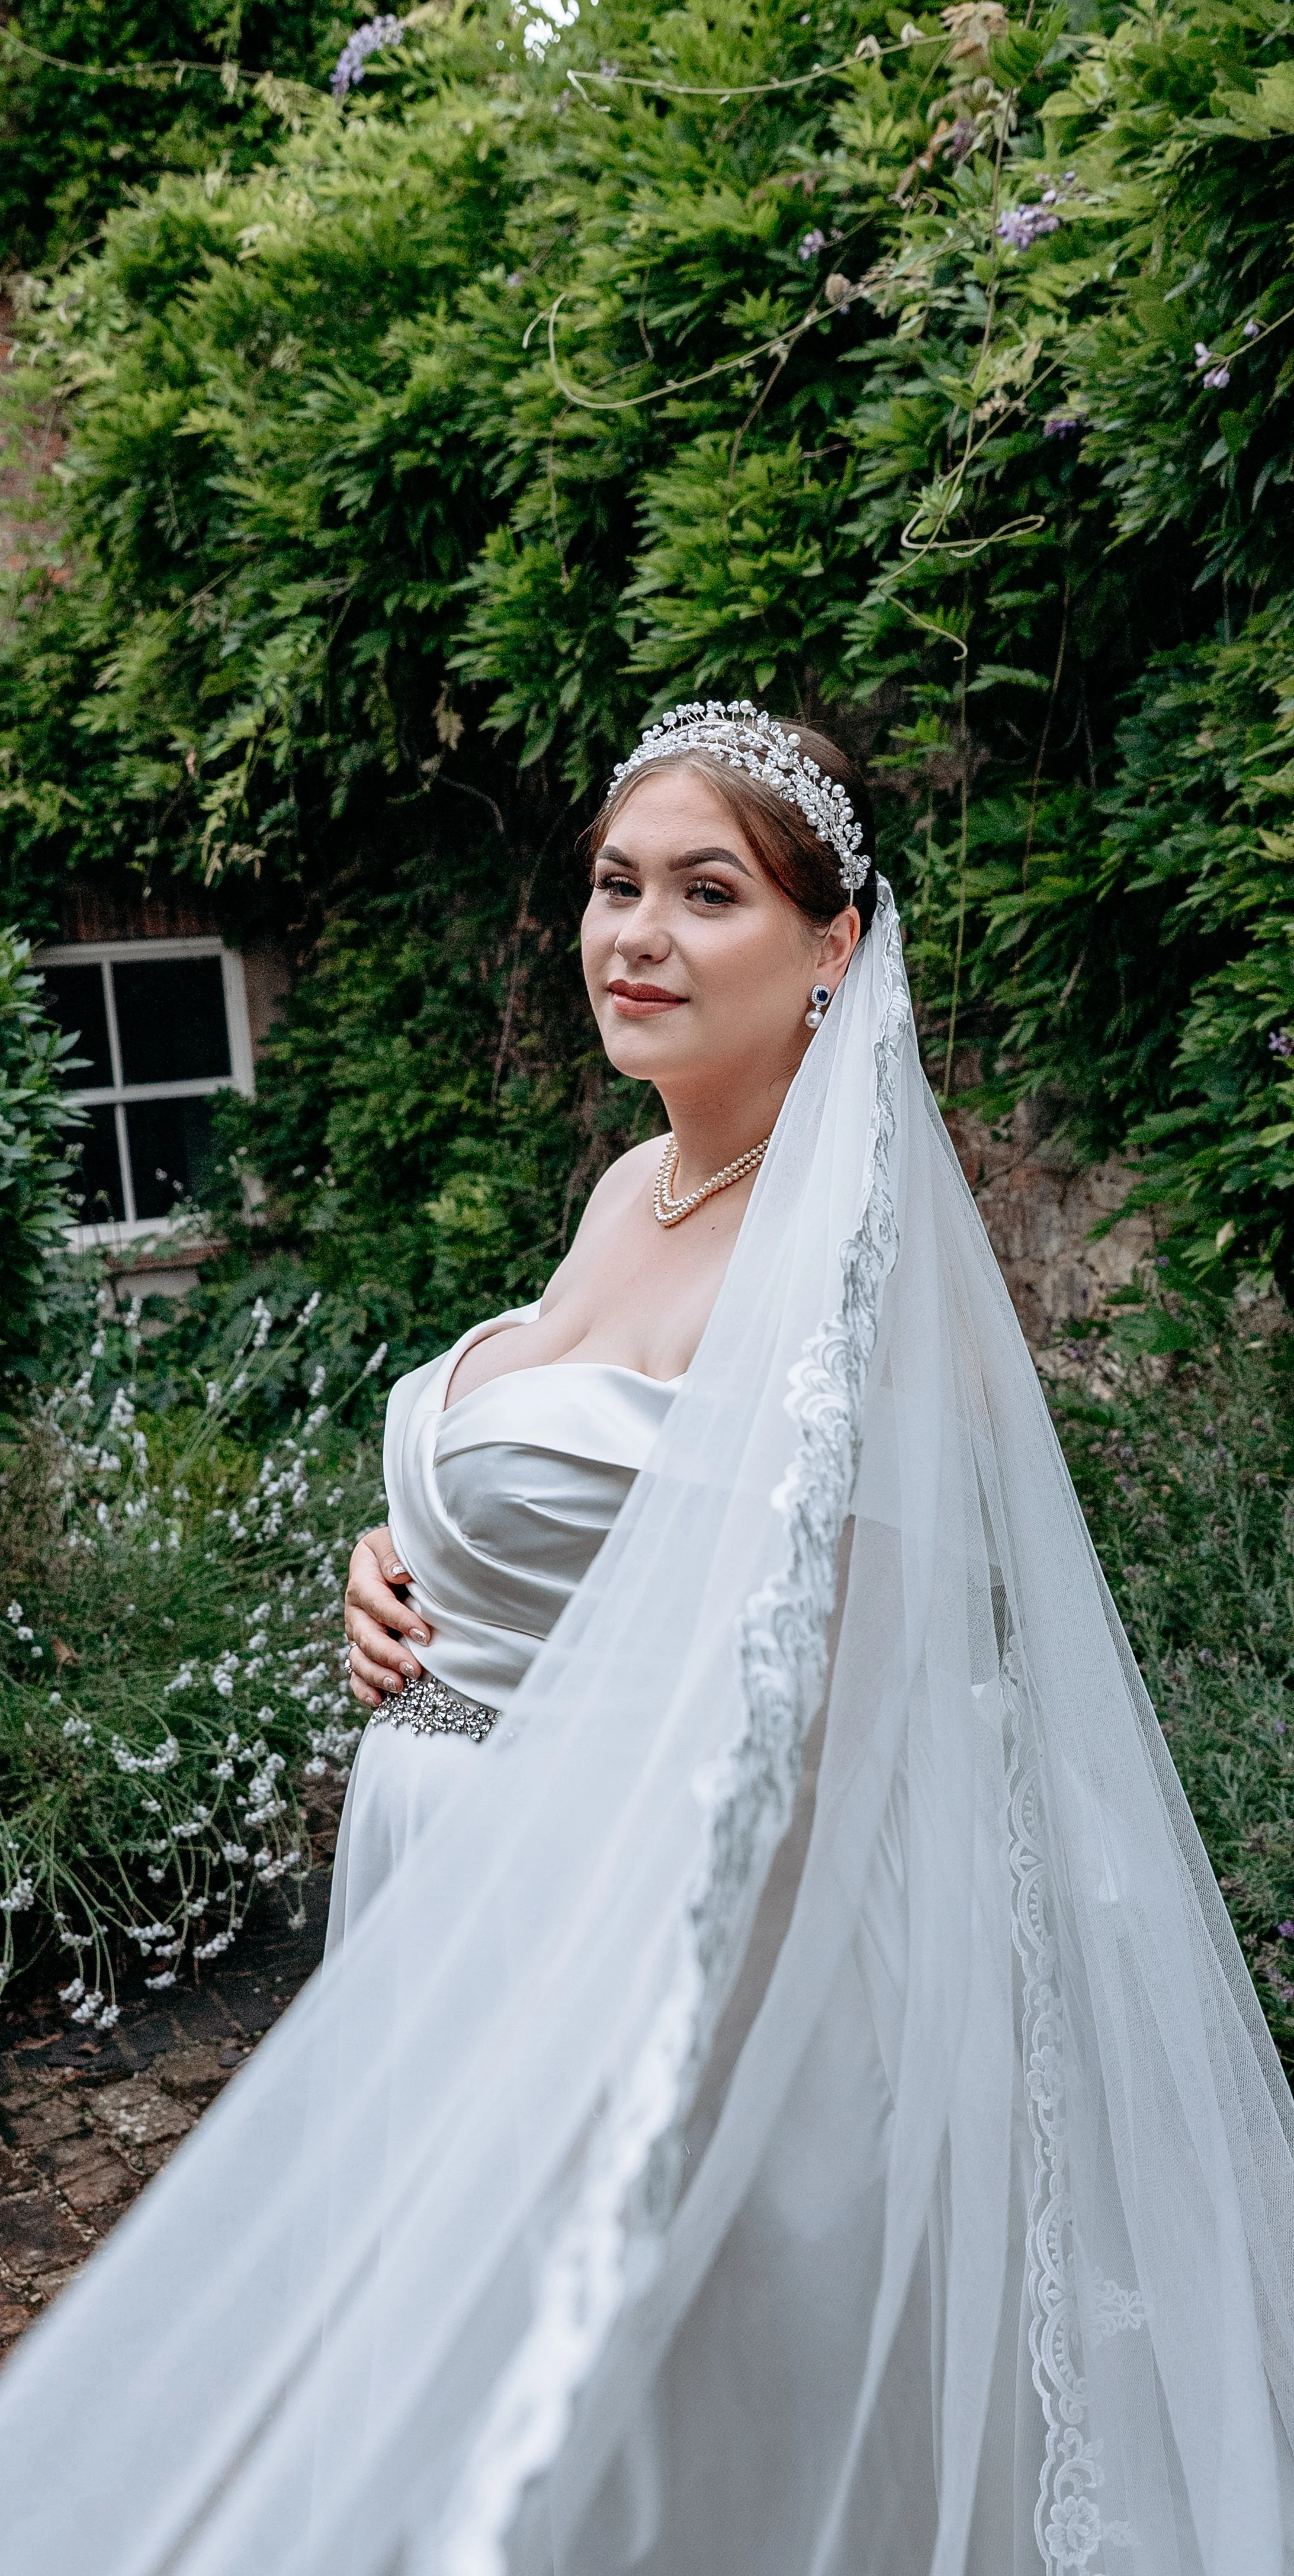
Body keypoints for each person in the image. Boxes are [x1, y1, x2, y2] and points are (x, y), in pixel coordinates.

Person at [2, 702, 1293, 2576]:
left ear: (833, 946)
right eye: (618, 885)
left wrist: (606, 2049)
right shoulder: (638, 1183)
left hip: (653, 1985)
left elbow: (839, 1715)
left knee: (647, 2468)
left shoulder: (854, 1268)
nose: (636, 935)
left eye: (709, 892)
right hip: (457, 1920)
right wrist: (399, 1548)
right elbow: (584, 1500)